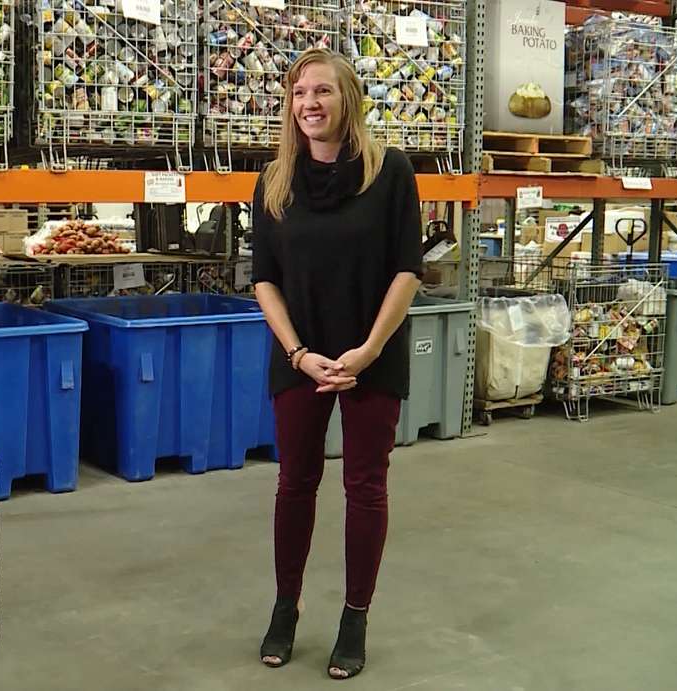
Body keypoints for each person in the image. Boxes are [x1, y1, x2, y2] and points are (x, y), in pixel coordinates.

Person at [250, 48, 424, 680]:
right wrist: (298, 353)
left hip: (369, 354)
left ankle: (355, 616)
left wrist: (370, 349)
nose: (309, 105)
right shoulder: (272, 183)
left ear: (348, 99)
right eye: (298, 94)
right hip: (300, 356)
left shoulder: (391, 173)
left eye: (322, 91)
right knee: (294, 483)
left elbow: (408, 269)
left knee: (364, 487)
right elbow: (263, 280)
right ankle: (285, 606)